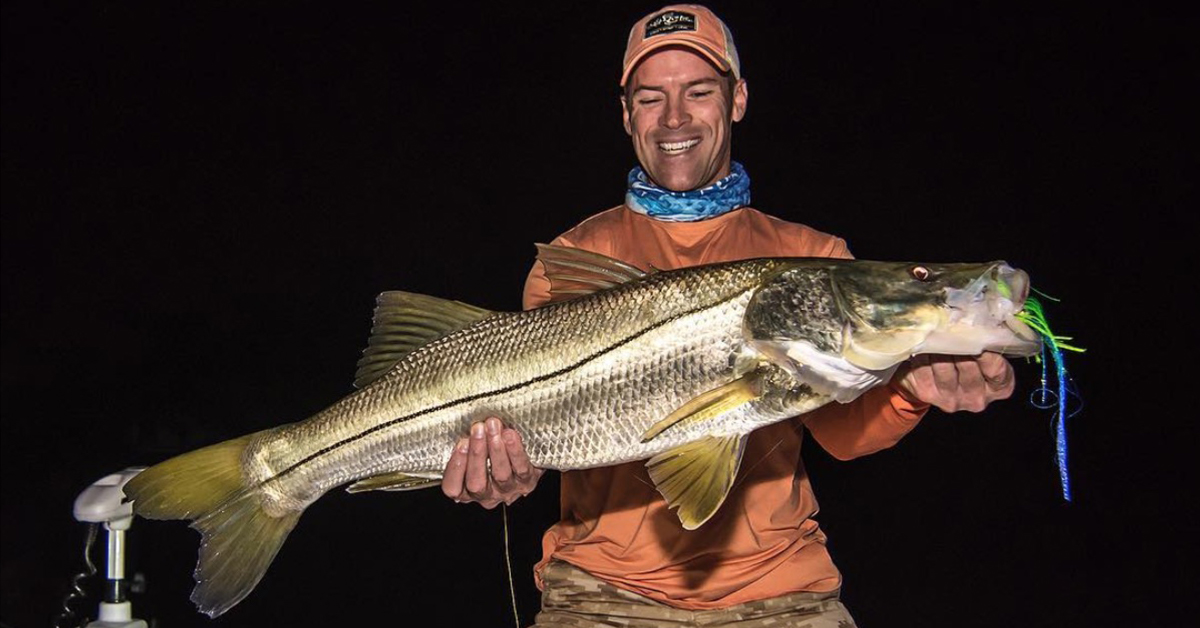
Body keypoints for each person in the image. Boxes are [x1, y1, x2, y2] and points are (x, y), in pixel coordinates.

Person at [441, 5, 1016, 626]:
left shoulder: (813, 256)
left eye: (699, 92)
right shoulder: (572, 261)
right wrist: (501, 471)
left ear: (737, 99)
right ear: (626, 112)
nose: (675, 118)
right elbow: (545, 433)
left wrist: (912, 389)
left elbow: (842, 434)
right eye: (651, 97)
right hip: (598, 593)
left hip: (783, 590)